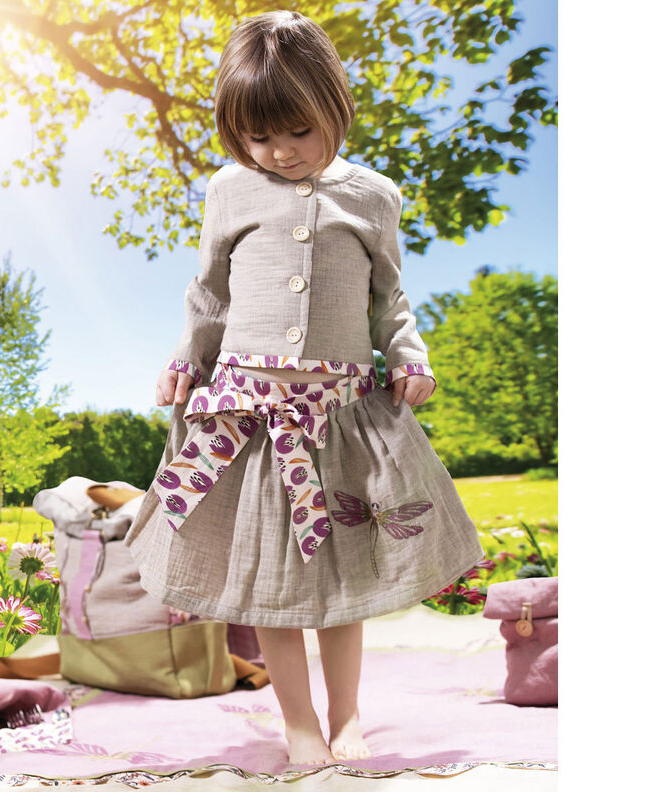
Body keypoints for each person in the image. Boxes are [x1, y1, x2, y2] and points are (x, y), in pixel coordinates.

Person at [124, 10, 485, 766]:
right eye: (258, 137)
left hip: (338, 416)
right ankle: (299, 726)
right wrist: (186, 358)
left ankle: (346, 717)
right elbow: (210, 294)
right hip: (249, 420)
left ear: (333, 106)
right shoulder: (229, 190)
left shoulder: (373, 196)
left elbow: (389, 298)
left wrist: (408, 355)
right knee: (273, 582)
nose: (279, 151)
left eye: (297, 130)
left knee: (340, 579)